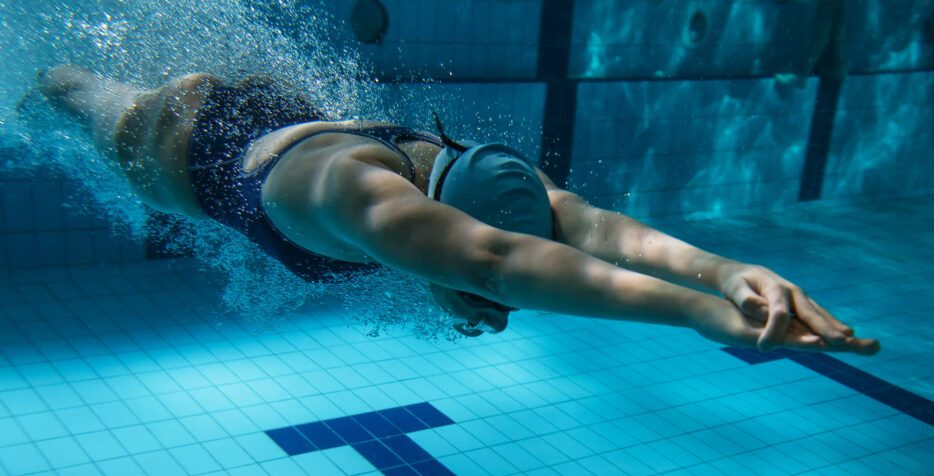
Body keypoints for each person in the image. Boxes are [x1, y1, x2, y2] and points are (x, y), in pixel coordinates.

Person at [34, 65, 878, 354]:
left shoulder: (483, 174)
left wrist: (731, 272)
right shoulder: (360, 197)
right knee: (75, 97)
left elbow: (592, 228)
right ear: (439, 228)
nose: (497, 314)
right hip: (180, 144)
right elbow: (492, 260)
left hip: (267, 114)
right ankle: (40, 80)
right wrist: (703, 317)